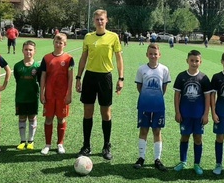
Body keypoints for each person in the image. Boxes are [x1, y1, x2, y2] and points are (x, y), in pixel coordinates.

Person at [75, 9, 124, 160]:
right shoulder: (88, 37)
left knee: (106, 113)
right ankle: (86, 145)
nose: (99, 22)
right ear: (94, 21)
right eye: (97, 19)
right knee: (88, 112)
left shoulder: (113, 37)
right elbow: (83, 58)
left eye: (102, 19)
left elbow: (119, 59)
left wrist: (121, 78)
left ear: (106, 20)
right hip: (90, 76)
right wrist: (78, 77)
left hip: (105, 78)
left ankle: (106, 146)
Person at [173, 49, 212, 174]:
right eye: (192, 60)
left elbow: (208, 97)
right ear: (187, 61)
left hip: (198, 114)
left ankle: (197, 164)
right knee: (184, 137)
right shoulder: (181, 76)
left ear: (200, 62)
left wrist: (206, 114)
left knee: (198, 138)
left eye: (197, 61)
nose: (194, 63)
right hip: (185, 113)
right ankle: (183, 161)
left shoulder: (204, 78)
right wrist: (177, 112)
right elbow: (177, 95)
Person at [133, 44, 171, 171]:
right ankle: (141, 157)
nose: (153, 56)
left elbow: (164, 88)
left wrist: (156, 98)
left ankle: (157, 159)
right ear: (147, 54)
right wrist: (147, 97)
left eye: (155, 54)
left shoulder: (164, 69)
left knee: (157, 131)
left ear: (159, 55)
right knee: (143, 130)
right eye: (151, 53)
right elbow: (139, 86)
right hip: (144, 104)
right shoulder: (141, 69)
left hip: (158, 105)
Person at [39, 33, 74, 155]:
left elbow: (70, 77)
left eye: (61, 42)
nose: (58, 44)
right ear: (53, 42)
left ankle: (60, 143)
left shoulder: (69, 59)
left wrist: (69, 93)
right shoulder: (46, 58)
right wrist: (41, 93)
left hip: (62, 94)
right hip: (49, 93)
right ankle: (47, 144)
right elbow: (43, 76)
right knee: (48, 118)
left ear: (65, 44)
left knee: (61, 118)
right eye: (56, 42)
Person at [14, 40, 41, 150]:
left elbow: (40, 80)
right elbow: (17, 79)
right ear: (22, 51)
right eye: (26, 49)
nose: (28, 52)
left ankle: (31, 141)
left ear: (34, 51)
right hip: (21, 97)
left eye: (30, 50)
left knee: (32, 117)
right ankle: (22, 141)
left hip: (33, 97)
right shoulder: (17, 66)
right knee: (22, 117)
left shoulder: (38, 66)